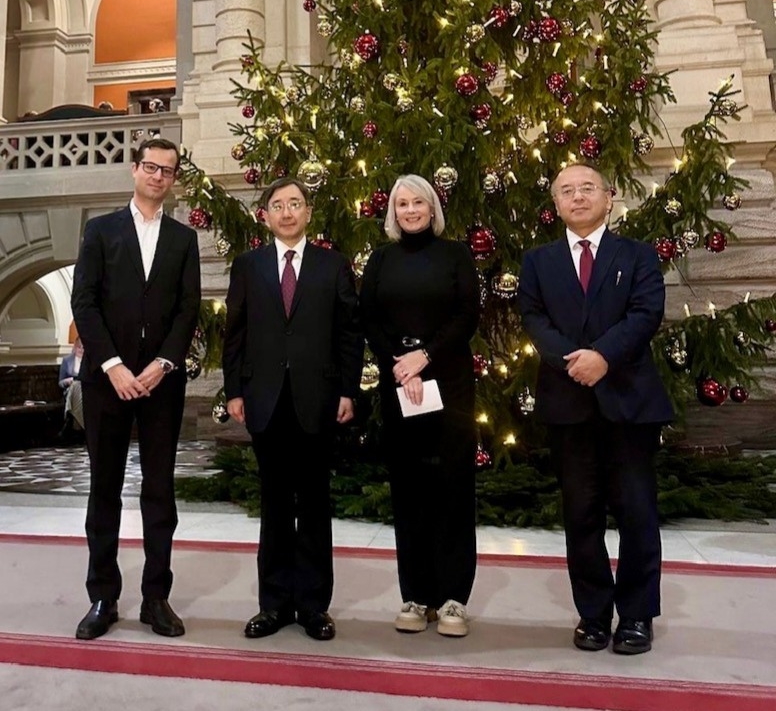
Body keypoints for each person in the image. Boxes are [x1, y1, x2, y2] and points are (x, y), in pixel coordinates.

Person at [517, 163, 673, 656]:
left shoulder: (639, 255)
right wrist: (574, 362)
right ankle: (592, 614)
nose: (578, 197)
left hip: (629, 402)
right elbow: (533, 317)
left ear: (609, 196)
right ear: (556, 203)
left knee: (637, 512)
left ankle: (636, 616)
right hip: (568, 403)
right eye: (567, 191)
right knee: (580, 514)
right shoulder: (538, 261)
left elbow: (646, 313)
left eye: (587, 188)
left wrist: (603, 356)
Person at [70, 137, 201, 641]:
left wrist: (163, 363)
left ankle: (156, 597)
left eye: (167, 170)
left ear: (173, 179)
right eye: (151, 166)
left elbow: (187, 309)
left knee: (159, 492)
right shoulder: (100, 231)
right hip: (108, 384)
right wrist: (115, 366)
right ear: (135, 170)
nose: (158, 176)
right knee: (104, 489)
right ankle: (103, 595)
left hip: (160, 385)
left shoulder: (182, 239)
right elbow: (85, 303)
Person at [223, 176, 363, 642]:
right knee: (275, 504)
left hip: (318, 399)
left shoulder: (332, 265)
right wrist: (234, 391)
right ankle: (274, 604)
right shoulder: (248, 265)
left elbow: (348, 333)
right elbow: (236, 333)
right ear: (265, 215)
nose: (287, 212)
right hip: (263, 398)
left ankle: (314, 606)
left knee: (315, 503)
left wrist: (348, 390)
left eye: (295, 204)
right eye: (278, 205)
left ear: (308, 213)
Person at [360, 175, 480, 637]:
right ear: (393, 211)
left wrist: (424, 357)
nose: (410, 210)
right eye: (402, 203)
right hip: (398, 384)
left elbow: (467, 315)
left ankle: (453, 599)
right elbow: (370, 316)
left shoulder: (456, 255)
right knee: (408, 489)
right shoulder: (381, 258)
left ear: (433, 207)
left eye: (418, 202)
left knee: (451, 487)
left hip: (448, 383)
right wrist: (400, 365)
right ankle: (414, 595)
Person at [58, 336, 85, 440]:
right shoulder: (67, 361)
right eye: (79, 347)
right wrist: (67, 381)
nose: (81, 350)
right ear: (75, 347)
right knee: (75, 385)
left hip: (86, 391)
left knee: (79, 386)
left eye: (84, 347)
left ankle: (71, 418)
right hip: (69, 391)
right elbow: (60, 382)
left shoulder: (90, 361)